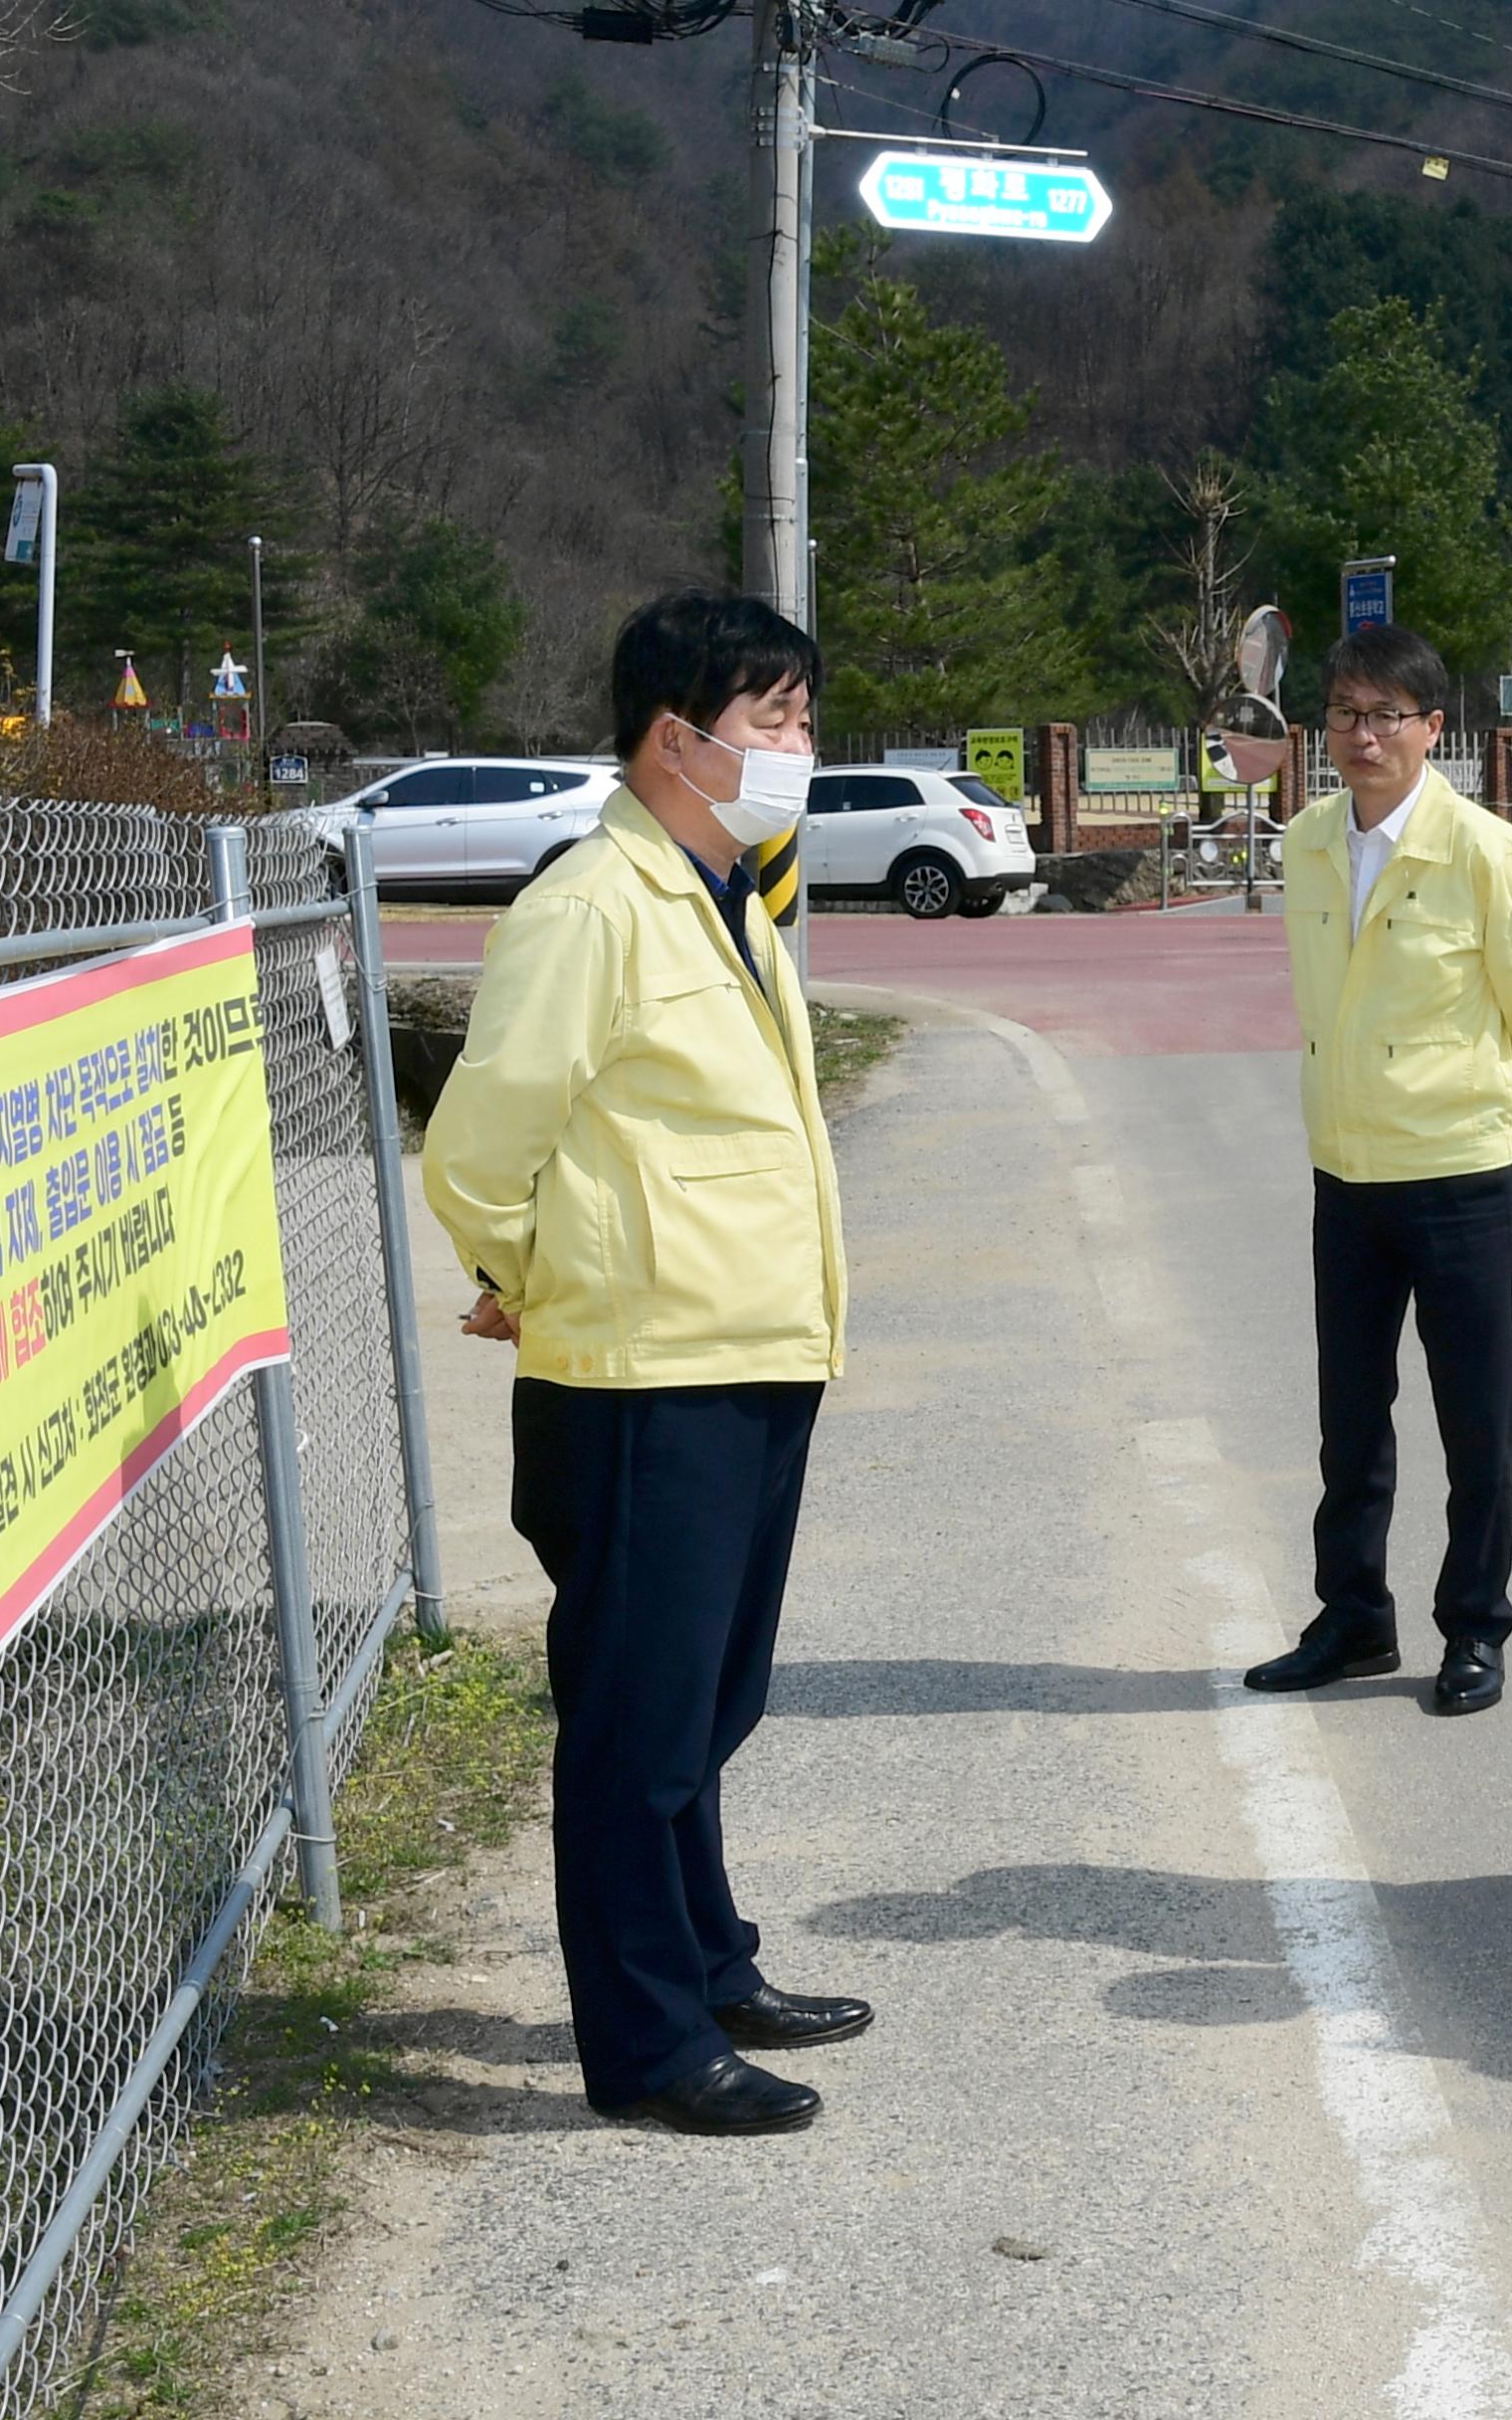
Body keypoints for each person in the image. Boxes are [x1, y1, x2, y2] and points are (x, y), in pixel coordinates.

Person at [422, 591, 865, 2137]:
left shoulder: (723, 892)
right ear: (678, 737)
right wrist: (534, 1279)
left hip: (749, 1360)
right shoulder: (592, 906)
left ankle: (709, 1961)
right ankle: (650, 2045)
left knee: (707, 1704)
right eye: (777, 720)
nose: (802, 747)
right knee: (638, 1725)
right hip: (642, 1384)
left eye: (804, 716)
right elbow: (478, 1150)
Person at [1247, 624, 1512, 1716]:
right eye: (1345, 711)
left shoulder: (1488, 854)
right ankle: (1353, 1616)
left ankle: (1474, 1626)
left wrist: (1488, 1130)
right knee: (1352, 1412)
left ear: (1435, 728)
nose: (1363, 733)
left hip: (1461, 1177)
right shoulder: (1304, 844)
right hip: (1345, 1171)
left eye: (1389, 713)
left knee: (1476, 1419)